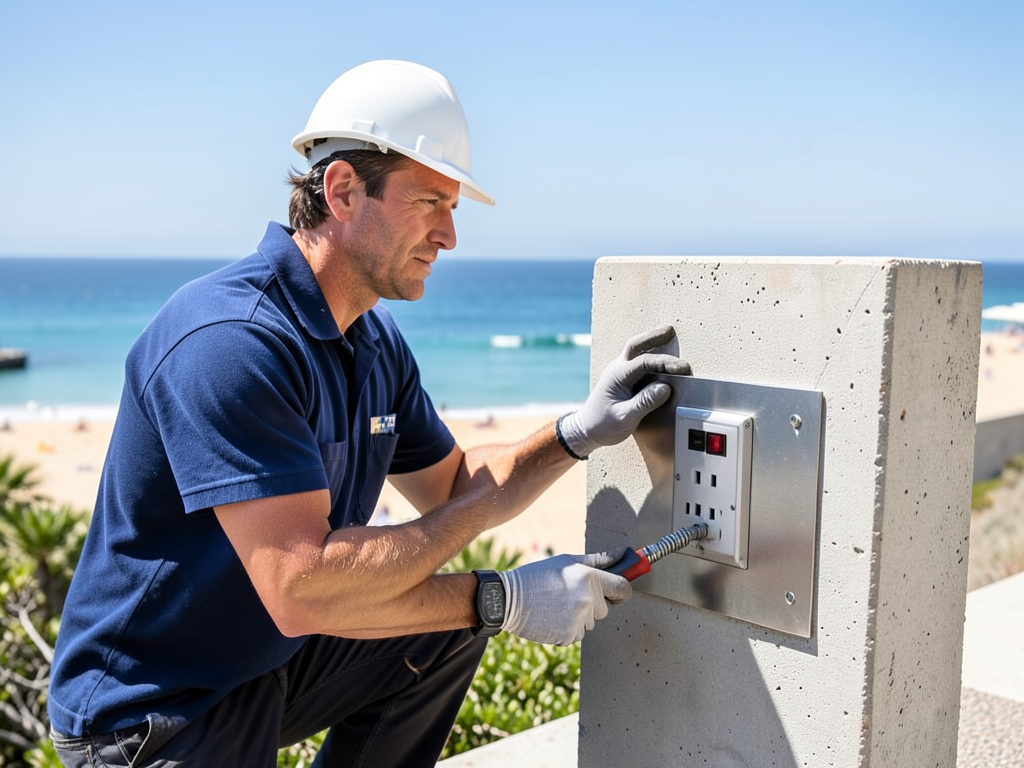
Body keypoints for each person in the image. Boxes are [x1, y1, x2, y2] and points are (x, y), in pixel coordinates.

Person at [47, 60, 690, 767]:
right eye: (429, 204)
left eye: (453, 209)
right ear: (343, 190)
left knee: (438, 632)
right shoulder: (230, 342)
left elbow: (454, 486)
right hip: (153, 711)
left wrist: (574, 436)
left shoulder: (372, 342)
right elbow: (302, 586)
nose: (449, 236)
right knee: (460, 606)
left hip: (263, 663)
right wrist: (500, 597)